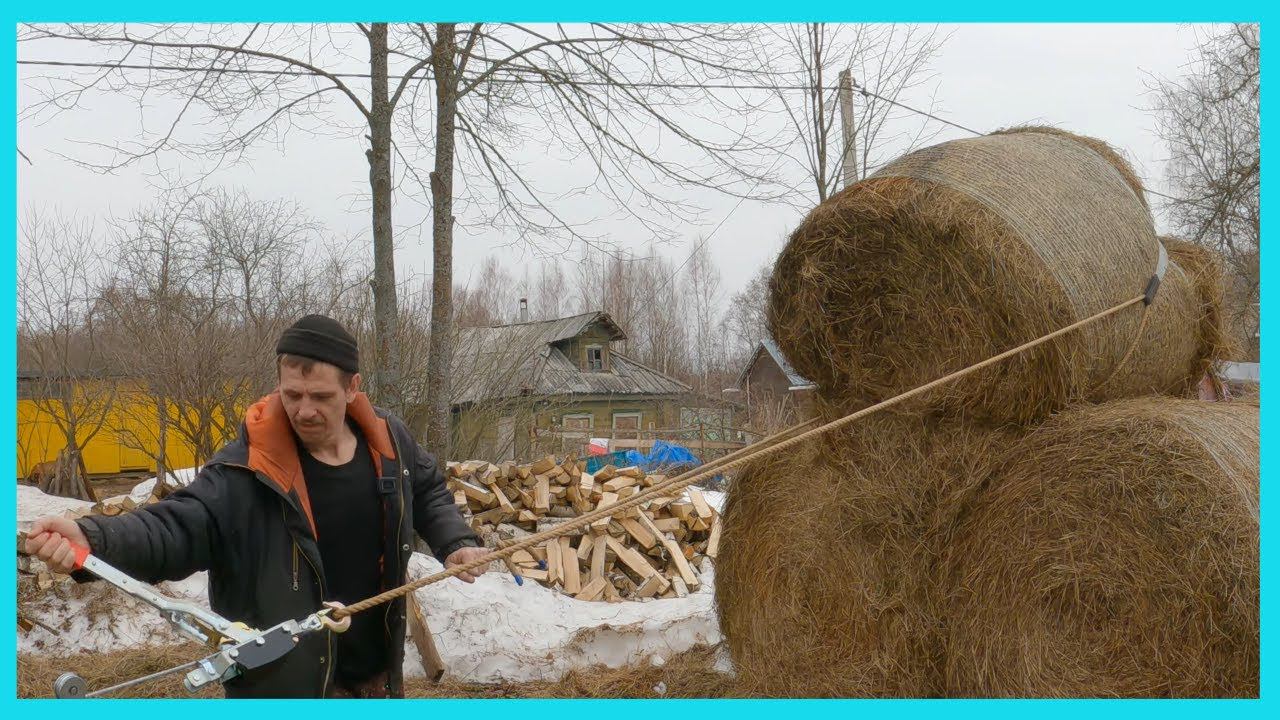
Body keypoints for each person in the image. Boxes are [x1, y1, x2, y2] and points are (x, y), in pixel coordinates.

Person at [25, 314, 488, 698]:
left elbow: (426, 488)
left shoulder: (387, 442)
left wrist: (456, 541)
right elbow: (175, 527)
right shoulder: (245, 471)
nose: (305, 410)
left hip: (375, 680)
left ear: (352, 389)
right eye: (293, 395)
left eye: (321, 397)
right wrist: (93, 538)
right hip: (281, 687)